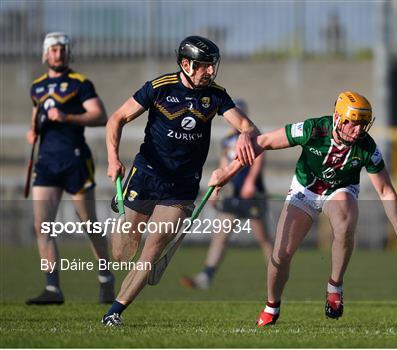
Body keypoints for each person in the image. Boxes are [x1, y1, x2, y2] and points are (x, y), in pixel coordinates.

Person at [207, 91, 397, 326]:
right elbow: (262, 142)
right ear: (338, 118)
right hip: (304, 191)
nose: (358, 131)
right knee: (280, 255)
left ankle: (334, 286)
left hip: (339, 191)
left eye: (363, 125)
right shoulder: (313, 129)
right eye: (354, 124)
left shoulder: (367, 147)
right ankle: (272, 305)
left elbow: (385, 190)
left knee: (346, 216)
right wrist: (227, 172)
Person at [102, 36, 259, 326]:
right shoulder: (159, 88)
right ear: (186, 64)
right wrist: (113, 159)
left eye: (212, 66)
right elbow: (117, 118)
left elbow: (248, 127)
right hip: (146, 175)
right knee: (123, 253)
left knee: (154, 247)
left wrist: (240, 146)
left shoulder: (216, 95)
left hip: (182, 185)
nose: (210, 72)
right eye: (204, 66)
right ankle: (124, 213)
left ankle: (114, 312)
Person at [26, 32, 114, 305]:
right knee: (43, 226)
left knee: (88, 223)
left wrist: (67, 116)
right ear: (45, 54)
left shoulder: (80, 84)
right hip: (47, 162)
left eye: (62, 49)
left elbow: (100, 116)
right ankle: (53, 288)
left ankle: (105, 277)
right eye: (53, 49)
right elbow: (36, 116)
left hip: (75, 160)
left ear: (68, 53)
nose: (58, 53)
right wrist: (33, 132)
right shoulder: (37, 87)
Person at [180, 99, 272, 290]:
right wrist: (215, 190)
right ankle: (206, 276)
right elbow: (223, 166)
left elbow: (259, 157)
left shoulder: (252, 135)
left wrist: (249, 183)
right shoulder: (227, 140)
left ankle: (276, 274)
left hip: (251, 194)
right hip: (232, 195)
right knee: (220, 236)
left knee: (263, 238)